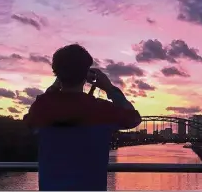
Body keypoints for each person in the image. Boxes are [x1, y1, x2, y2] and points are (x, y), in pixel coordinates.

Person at [23, 44, 141, 191]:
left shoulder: (41, 108)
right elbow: (134, 118)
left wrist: (54, 88)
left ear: (56, 74)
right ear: (86, 74)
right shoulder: (102, 110)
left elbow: (29, 123)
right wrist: (109, 89)